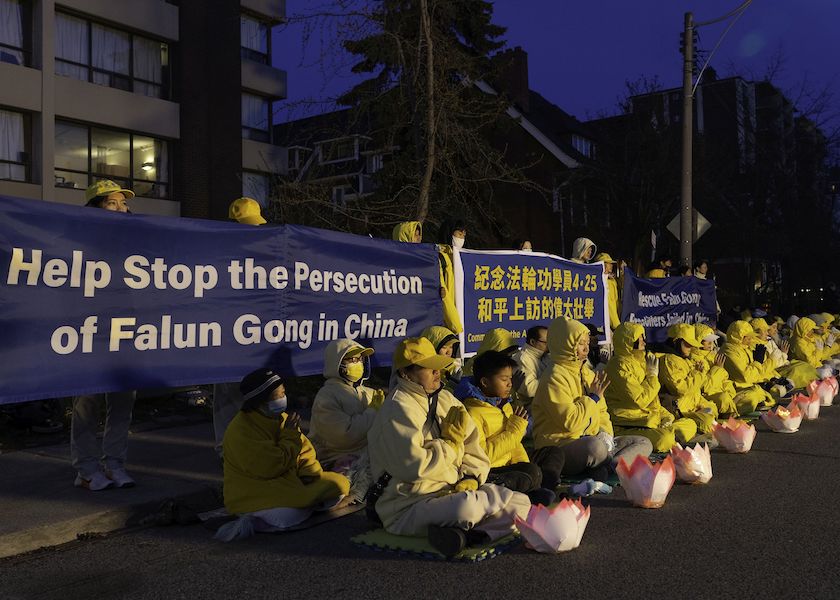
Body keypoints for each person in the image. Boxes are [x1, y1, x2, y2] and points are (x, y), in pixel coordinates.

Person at [367, 338, 530, 557]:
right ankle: (469, 526)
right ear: (406, 373)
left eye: (439, 367)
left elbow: (474, 449)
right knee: (469, 507)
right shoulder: (397, 409)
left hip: (451, 490)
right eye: (430, 368)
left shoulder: (445, 398)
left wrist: (470, 477)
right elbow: (415, 468)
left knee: (522, 503)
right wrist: (450, 445)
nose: (438, 372)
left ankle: (467, 537)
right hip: (409, 504)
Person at [219, 369, 349, 537]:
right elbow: (270, 467)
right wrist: (289, 436)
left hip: (289, 481)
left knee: (339, 485)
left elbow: (305, 451)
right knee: (290, 514)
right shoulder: (240, 430)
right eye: (277, 395)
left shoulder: (281, 418)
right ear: (260, 401)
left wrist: (309, 473)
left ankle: (305, 503)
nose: (282, 399)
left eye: (283, 393)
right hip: (255, 489)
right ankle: (256, 516)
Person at [71, 180, 138, 490]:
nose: (121, 208)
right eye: (112, 203)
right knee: (88, 400)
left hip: (125, 330)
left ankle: (114, 463)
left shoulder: (135, 241)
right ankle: (85, 468)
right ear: (95, 208)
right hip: (89, 330)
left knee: (123, 399)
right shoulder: (78, 240)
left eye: (123, 203)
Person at [531, 317, 652, 482]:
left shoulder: (587, 373)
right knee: (594, 448)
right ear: (566, 344)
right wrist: (592, 397)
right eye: (580, 343)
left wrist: (606, 433)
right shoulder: (554, 377)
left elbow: (602, 411)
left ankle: (608, 466)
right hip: (562, 444)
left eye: (587, 342)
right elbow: (570, 421)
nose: (586, 348)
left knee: (644, 442)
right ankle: (608, 466)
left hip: (594, 438)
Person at [453, 351, 557, 503]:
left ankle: (537, 487)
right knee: (531, 472)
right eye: (504, 379)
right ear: (485, 382)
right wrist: (515, 432)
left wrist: (523, 463)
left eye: (510, 378)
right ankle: (533, 489)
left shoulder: (504, 404)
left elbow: (515, 445)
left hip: (510, 463)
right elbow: (482, 456)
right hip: (490, 469)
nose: (510, 384)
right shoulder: (472, 412)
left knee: (552, 453)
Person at [212, 197, 270, 457]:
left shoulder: (266, 257)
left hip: (255, 338)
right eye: (249, 226)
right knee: (228, 396)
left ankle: (248, 449)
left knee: (253, 395)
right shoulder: (221, 258)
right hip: (227, 338)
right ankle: (227, 452)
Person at [308, 339, 385, 501]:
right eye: (353, 360)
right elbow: (344, 436)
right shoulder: (327, 396)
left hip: (367, 457)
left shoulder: (369, 393)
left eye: (361, 359)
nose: (359, 364)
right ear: (337, 363)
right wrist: (373, 412)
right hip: (336, 460)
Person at [604, 323, 696, 452]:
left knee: (690, 424)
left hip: (648, 419)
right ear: (629, 341)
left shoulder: (641, 361)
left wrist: (666, 416)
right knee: (664, 438)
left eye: (643, 337)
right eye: (639, 338)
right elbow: (639, 400)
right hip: (628, 422)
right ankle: (668, 438)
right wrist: (652, 376)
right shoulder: (618, 366)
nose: (644, 341)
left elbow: (652, 400)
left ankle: (669, 436)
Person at [392, 220, 462, 334]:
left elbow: (443, 293)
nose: (419, 237)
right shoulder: (392, 261)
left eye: (420, 234)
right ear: (404, 235)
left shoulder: (428, 259)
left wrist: (455, 324)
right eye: (415, 234)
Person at [658, 324, 719, 437]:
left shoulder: (684, 359)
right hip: (678, 411)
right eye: (687, 344)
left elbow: (695, 390)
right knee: (706, 422)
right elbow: (680, 389)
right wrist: (698, 373)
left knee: (712, 410)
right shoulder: (669, 360)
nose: (690, 347)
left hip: (692, 408)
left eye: (692, 344)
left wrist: (702, 405)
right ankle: (669, 431)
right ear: (676, 342)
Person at [721, 321, 781, 413]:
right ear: (739, 338)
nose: (751, 340)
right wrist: (759, 362)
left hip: (749, 385)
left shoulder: (743, 348)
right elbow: (746, 376)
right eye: (748, 338)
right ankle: (732, 410)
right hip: (736, 388)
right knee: (752, 397)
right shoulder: (729, 351)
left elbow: (756, 373)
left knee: (774, 391)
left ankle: (760, 401)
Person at [690, 324, 739, 416]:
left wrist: (730, 392)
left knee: (753, 393)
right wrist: (717, 369)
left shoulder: (713, 356)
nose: (710, 343)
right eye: (706, 341)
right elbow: (705, 387)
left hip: (721, 393)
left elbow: (725, 379)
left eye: (712, 341)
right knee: (723, 398)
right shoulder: (695, 359)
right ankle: (727, 409)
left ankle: (729, 407)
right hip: (706, 396)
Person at [511, 326, 549, 407]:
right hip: (528, 410)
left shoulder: (545, 356)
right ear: (532, 342)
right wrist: (555, 380)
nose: (549, 345)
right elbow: (529, 390)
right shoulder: (522, 359)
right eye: (546, 342)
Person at [594, 252, 620, 330]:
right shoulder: (600, 281)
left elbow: (615, 302)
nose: (611, 265)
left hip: (612, 324)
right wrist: (616, 325)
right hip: (607, 325)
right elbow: (609, 305)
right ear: (602, 264)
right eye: (609, 263)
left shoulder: (612, 280)